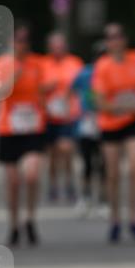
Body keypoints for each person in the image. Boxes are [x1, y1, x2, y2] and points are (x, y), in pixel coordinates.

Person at [0, 23, 46, 246]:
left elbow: (43, 91)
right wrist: (15, 75)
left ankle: (30, 218)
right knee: (13, 181)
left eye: (25, 41)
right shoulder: (1, 65)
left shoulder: (38, 64)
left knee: (31, 175)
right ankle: (14, 224)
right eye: (17, 41)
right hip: (9, 129)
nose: (21, 45)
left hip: (33, 126)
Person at [92, 23, 135, 242]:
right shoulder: (103, 65)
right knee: (113, 173)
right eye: (110, 38)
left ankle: (134, 218)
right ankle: (115, 219)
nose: (114, 41)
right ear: (106, 42)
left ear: (125, 40)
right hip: (110, 124)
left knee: (134, 169)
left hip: (133, 122)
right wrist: (126, 106)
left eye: (118, 36)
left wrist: (134, 105)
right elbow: (100, 102)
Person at [42, 32, 83, 204]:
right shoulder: (43, 64)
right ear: (50, 47)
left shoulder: (75, 63)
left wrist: (71, 93)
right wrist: (48, 87)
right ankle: (53, 186)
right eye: (54, 46)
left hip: (69, 114)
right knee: (52, 155)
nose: (58, 49)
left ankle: (69, 184)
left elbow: (83, 86)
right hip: (49, 115)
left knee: (66, 151)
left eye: (61, 45)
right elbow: (36, 88)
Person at [72, 59, 106, 213]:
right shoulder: (87, 74)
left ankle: (98, 198)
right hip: (90, 120)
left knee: (97, 163)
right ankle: (91, 197)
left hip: (101, 120)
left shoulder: (105, 72)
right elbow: (72, 89)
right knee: (92, 163)